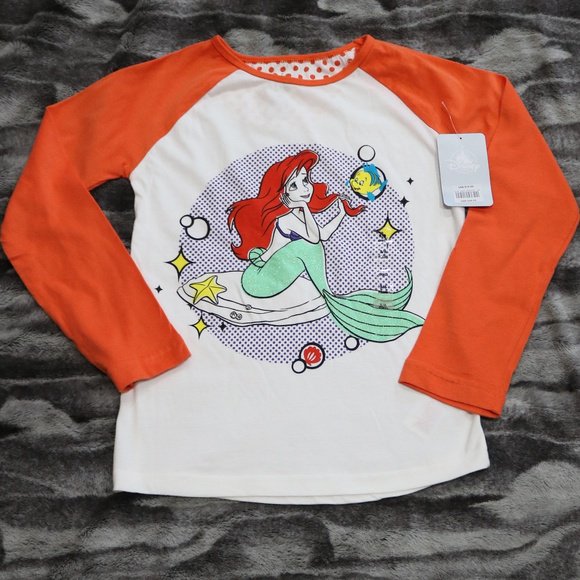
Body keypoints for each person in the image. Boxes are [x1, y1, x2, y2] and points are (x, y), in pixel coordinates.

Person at [226, 149, 424, 342]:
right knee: (308, 247)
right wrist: (304, 206)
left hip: (267, 270)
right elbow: (314, 239)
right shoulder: (287, 217)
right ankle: (329, 295)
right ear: (282, 193)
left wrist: (340, 213)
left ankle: (331, 296)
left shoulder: (296, 213)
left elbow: (323, 234)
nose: (305, 188)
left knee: (309, 246)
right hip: (257, 281)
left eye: (305, 180)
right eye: (293, 186)